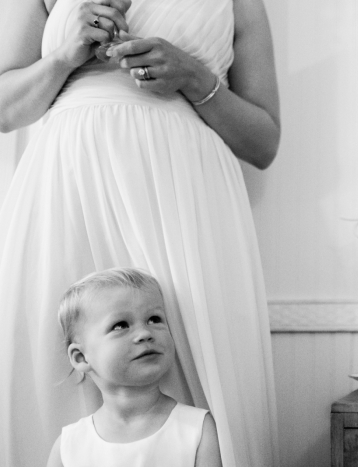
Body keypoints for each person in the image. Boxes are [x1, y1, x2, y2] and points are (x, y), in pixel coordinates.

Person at [0, 0, 280, 465]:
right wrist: (65, 56)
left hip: (186, 197)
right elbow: (4, 110)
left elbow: (263, 143)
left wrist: (194, 78)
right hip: (66, 188)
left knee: (207, 376)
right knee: (50, 376)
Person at [47, 268, 222, 467]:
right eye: (120, 325)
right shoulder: (69, 446)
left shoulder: (197, 428)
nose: (145, 333)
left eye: (154, 319)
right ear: (81, 357)